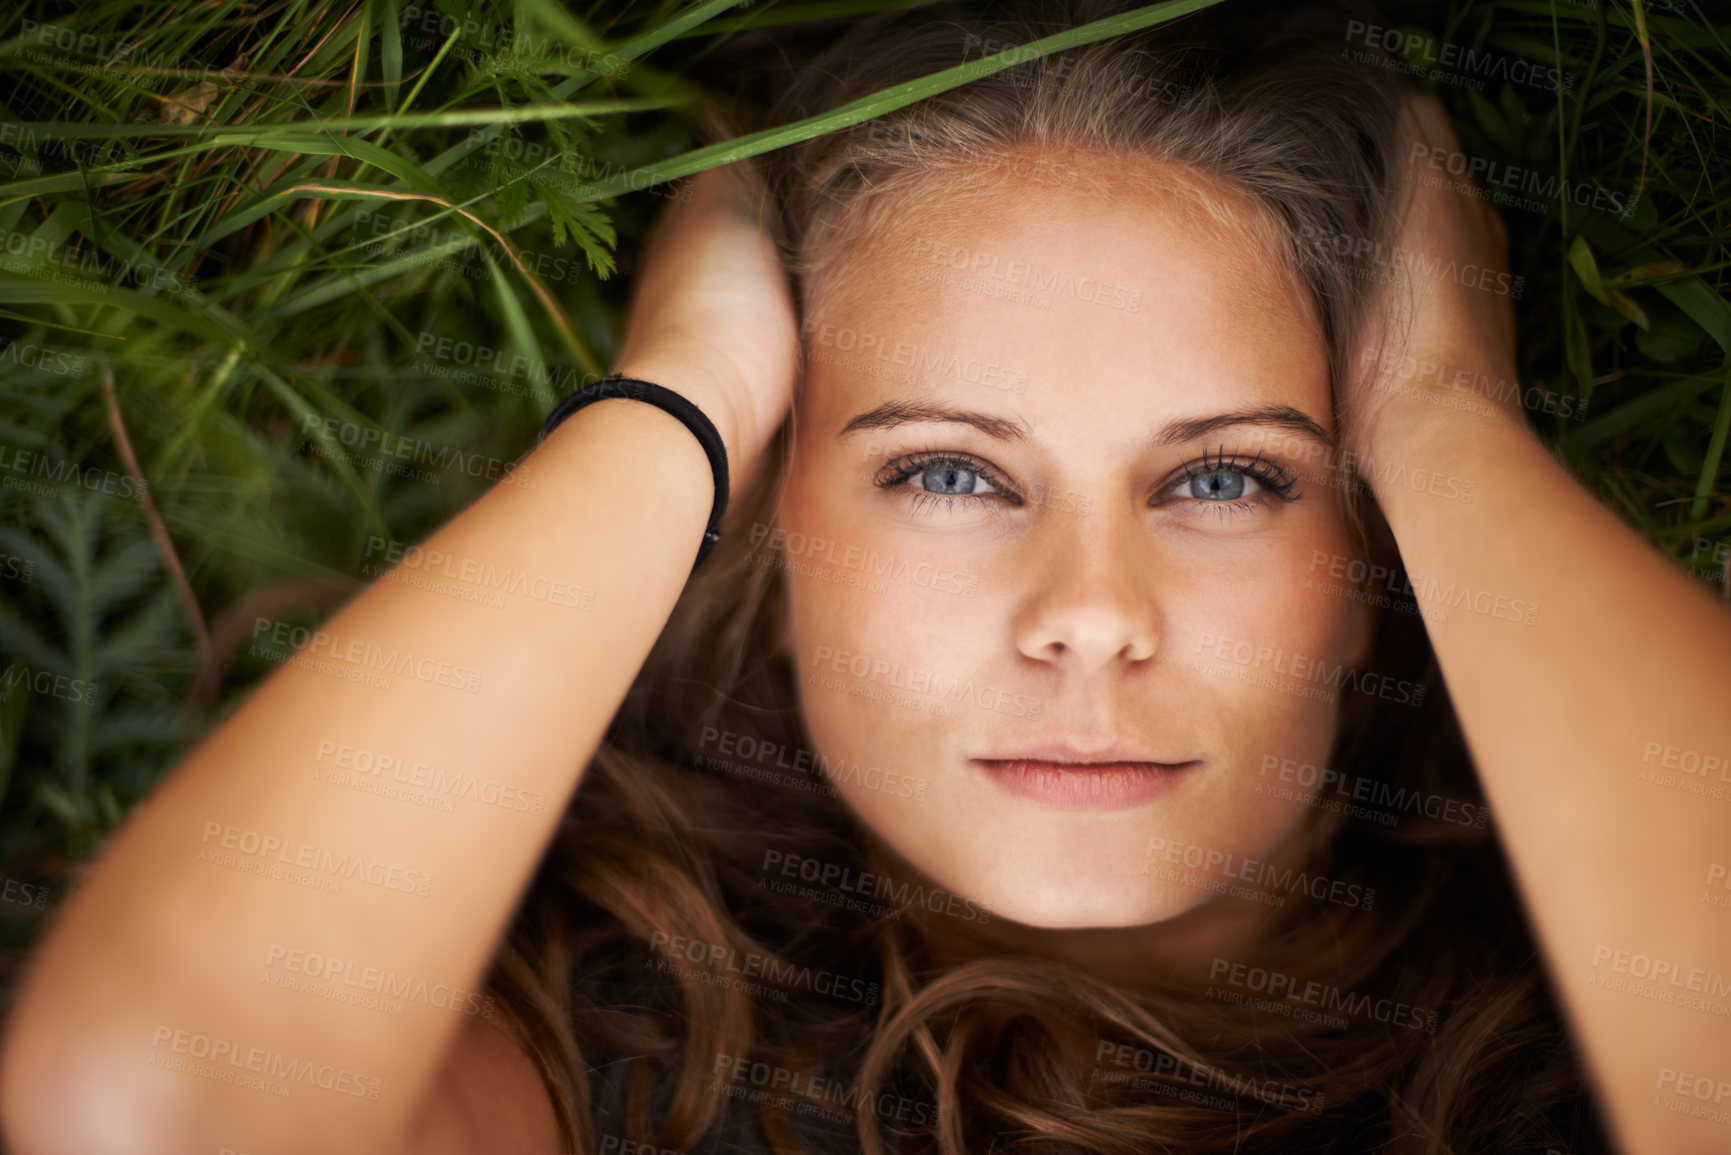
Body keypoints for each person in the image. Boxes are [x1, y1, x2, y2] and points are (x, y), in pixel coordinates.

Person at [2, 1, 1725, 1153]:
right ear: (771, 537)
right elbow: (153, 1110)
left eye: (1223, 476)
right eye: (950, 472)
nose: (1092, 616)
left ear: (1367, 562)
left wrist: (1447, 425)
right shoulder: (636, 1053)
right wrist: (682, 398)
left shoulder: (1578, 1021)